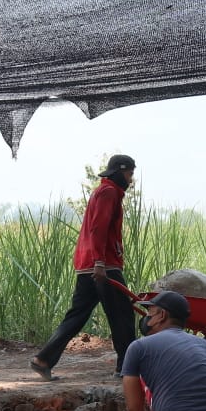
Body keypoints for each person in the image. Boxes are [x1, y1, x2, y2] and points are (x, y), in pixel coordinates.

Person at [31, 154, 139, 381]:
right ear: (120, 172)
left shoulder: (104, 192)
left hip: (88, 265)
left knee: (77, 316)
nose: (130, 180)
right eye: (129, 174)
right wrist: (99, 262)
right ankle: (127, 367)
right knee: (122, 316)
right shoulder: (109, 192)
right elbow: (98, 229)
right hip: (103, 265)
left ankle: (44, 360)